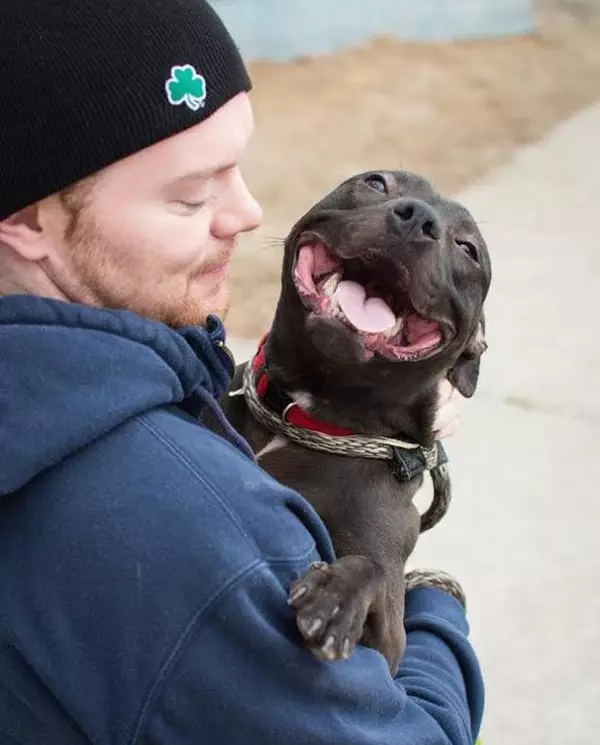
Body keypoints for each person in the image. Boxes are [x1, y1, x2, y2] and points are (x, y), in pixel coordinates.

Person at [0, 1, 483, 743]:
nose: (250, 212)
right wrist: (436, 607)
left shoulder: (123, 391)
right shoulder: (201, 534)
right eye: (191, 195)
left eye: (237, 171)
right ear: (29, 221)